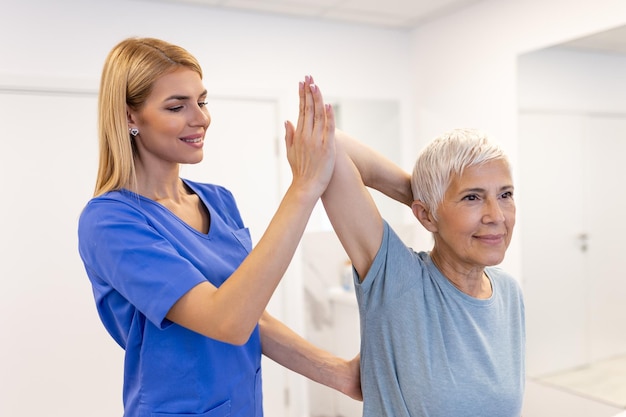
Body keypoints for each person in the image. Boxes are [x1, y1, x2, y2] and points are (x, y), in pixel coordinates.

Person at [77, 37, 360, 417]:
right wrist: (304, 188)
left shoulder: (218, 201)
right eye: (177, 106)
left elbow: (252, 315)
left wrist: (339, 374)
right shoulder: (111, 221)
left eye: (202, 101)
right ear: (130, 117)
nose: (201, 118)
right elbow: (227, 320)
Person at [296, 78, 525, 416]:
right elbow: (330, 144)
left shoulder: (508, 292)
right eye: (472, 197)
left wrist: (440, 206)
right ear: (425, 216)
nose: (496, 215)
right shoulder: (397, 281)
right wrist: (422, 199)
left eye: (505, 194)